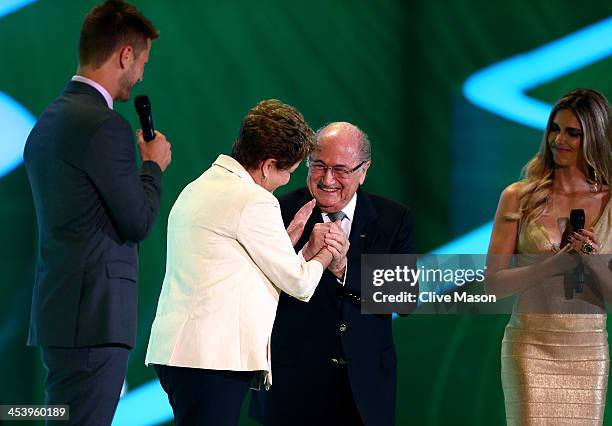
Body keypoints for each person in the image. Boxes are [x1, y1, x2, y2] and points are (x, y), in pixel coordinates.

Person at [145, 99, 347, 426]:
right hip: (212, 360)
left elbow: (234, 265)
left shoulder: (200, 187)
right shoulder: (253, 200)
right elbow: (300, 283)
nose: (286, 182)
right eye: (288, 172)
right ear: (268, 165)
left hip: (182, 356)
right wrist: (325, 249)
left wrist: (290, 245)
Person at [23, 1, 171, 424]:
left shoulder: (48, 121)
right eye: (141, 61)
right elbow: (137, 220)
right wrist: (152, 167)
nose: (141, 73)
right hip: (94, 322)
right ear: (125, 55)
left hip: (61, 317)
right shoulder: (105, 126)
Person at [254, 122, 414, 426]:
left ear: (363, 171)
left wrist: (344, 269)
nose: (328, 179)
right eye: (319, 166)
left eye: (341, 169)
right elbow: (256, 292)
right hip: (293, 387)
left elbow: (404, 299)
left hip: (364, 391)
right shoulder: (277, 211)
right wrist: (299, 257)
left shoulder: (393, 218)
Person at [485, 88, 612, 425]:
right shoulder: (519, 197)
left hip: (587, 350)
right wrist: (552, 265)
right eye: (555, 129)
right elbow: (493, 285)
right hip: (530, 344)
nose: (560, 140)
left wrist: (590, 260)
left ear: (595, 138)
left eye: (573, 133)